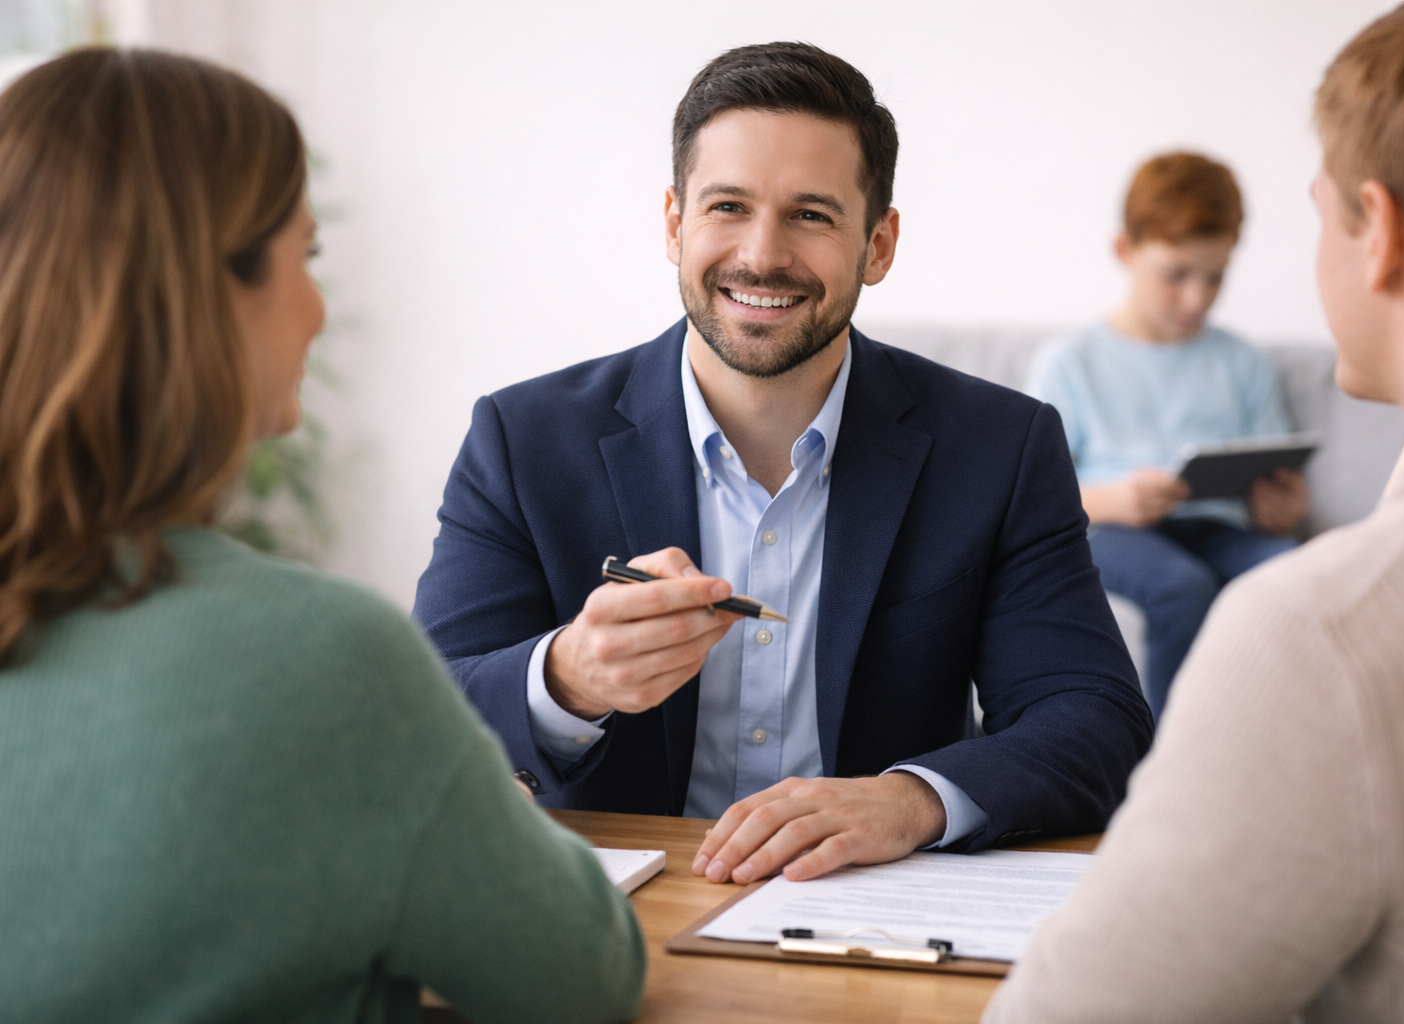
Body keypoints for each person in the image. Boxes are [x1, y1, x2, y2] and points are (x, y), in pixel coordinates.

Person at [0, 49, 643, 1024]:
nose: (318, 310)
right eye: (305, 258)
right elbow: (583, 977)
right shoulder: (317, 654)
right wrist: (485, 810)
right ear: (208, 297)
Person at [413, 41, 1151, 887]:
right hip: (603, 918)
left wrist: (909, 800)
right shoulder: (523, 439)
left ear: (878, 244)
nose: (762, 255)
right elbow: (422, 718)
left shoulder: (1001, 447)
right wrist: (570, 677)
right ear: (673, 222)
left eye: (811, 214)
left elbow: (1096, 721)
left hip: (871, 915)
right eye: (728, 205)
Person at [986, 1, 1404, 1020]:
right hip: (1125, 528)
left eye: (1322, 210)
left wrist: (1275, 516)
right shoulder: (1075, 363)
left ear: (1383, 236)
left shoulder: (1313, 638)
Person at [1028, 153, 1310, 719]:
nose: (1197, 298)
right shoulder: (1071, 362)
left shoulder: (1243, 363)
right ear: (1125, 252)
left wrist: (1284, 506)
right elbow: (1032, 497)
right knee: (1180, 587)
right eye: (1177, 274)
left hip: (1218, 522)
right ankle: (1168, 764)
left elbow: (1277, 473)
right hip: (1113, 528)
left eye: (1215, 277)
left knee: (1295, 573)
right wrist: (1115, 499)